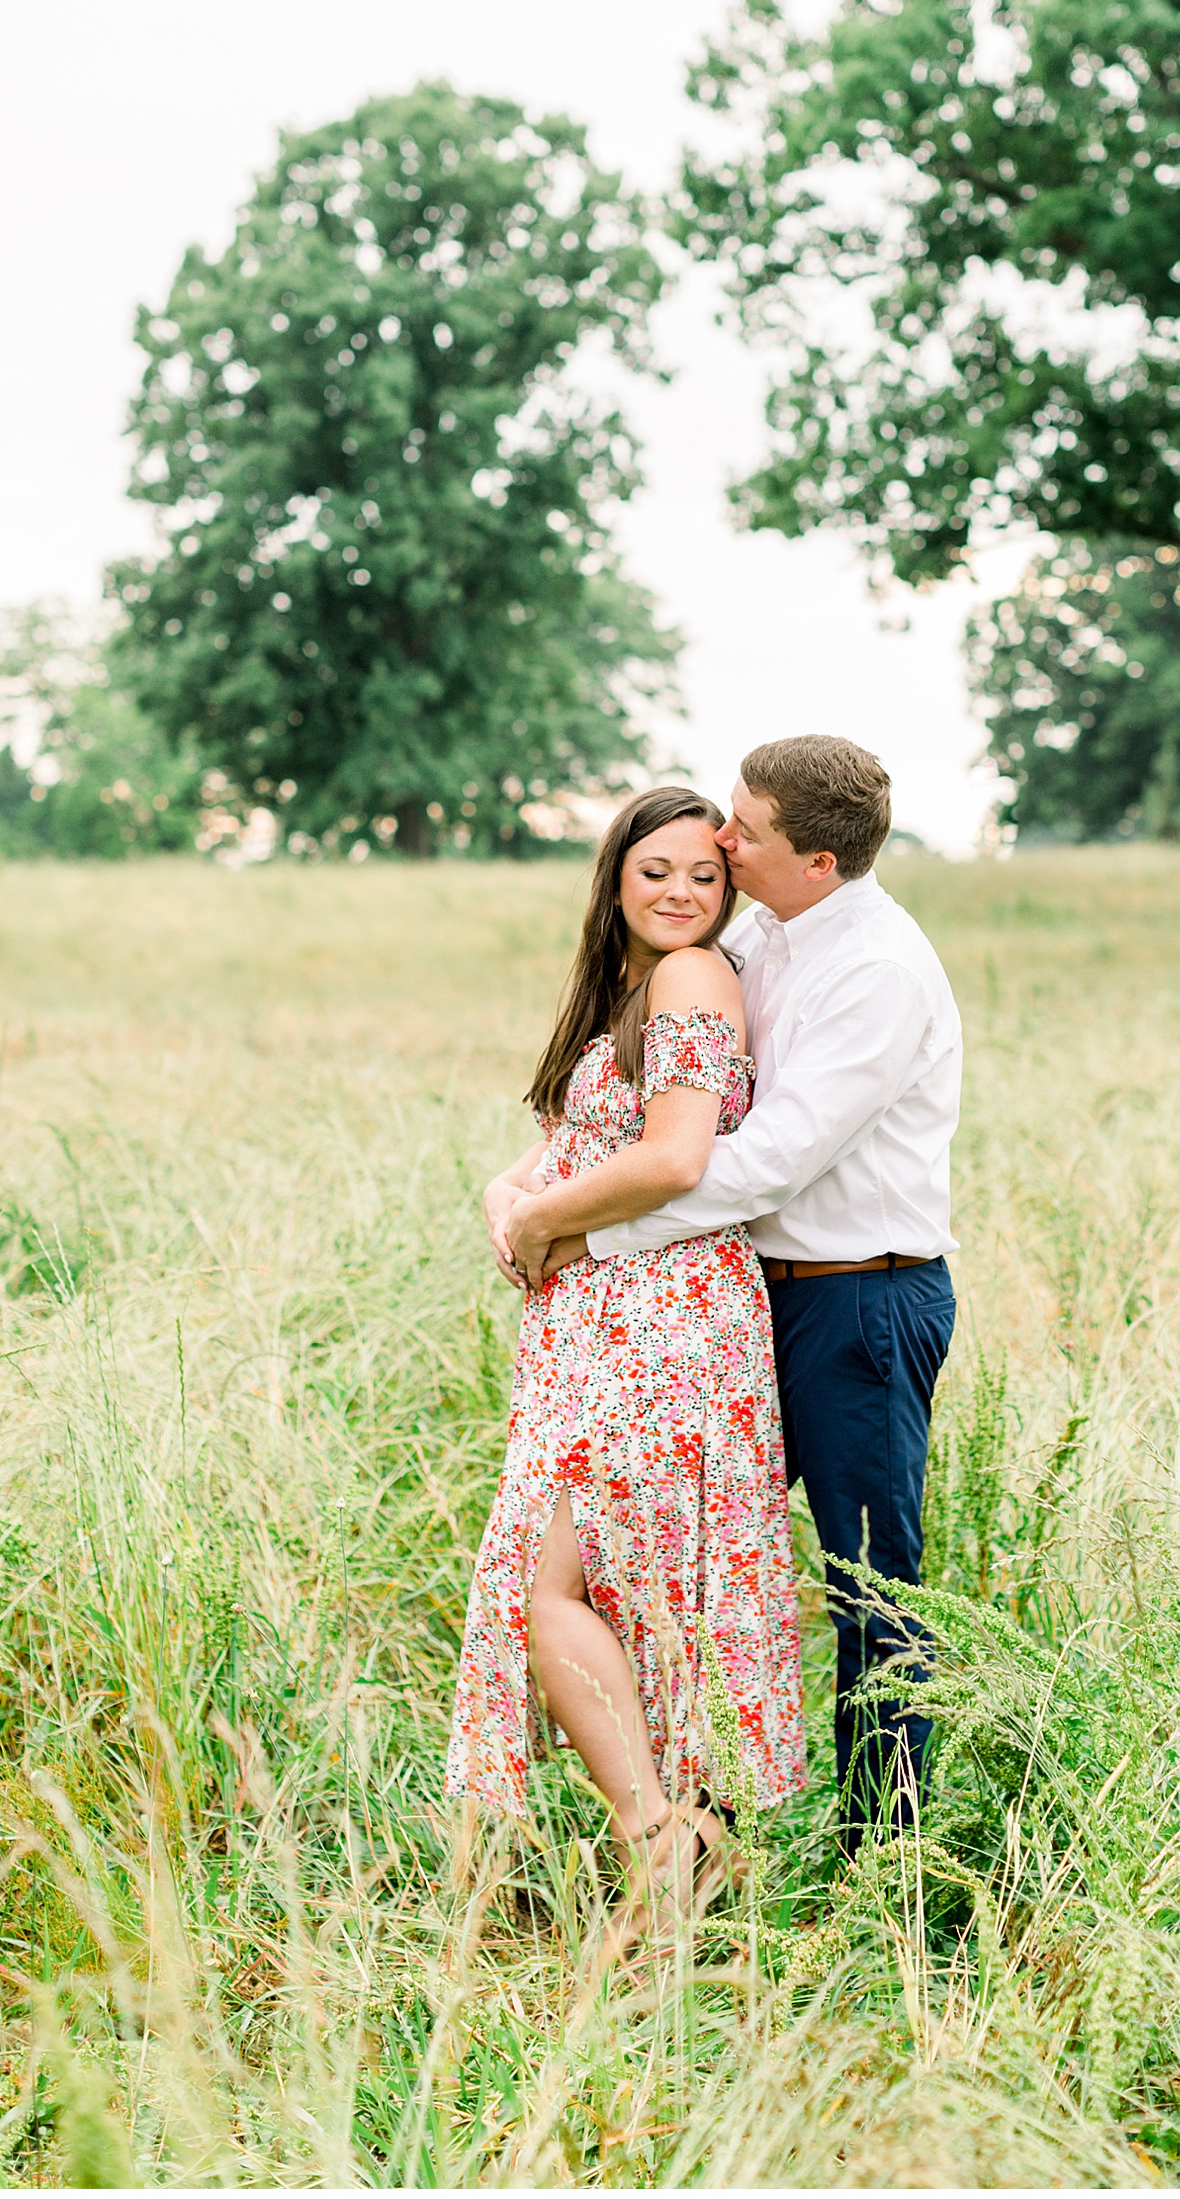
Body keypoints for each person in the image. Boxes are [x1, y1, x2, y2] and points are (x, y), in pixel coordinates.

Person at [504, 735, 962, 1852]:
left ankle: (885, 1862)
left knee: (869, 1586)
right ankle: (684, 1831)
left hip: (863, 1304)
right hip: (748, 1295)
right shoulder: (761, 927)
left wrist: (584, 1233)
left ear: (816, 860)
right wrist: (536, 1187)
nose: (719, 840)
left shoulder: (879, 972)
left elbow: (765, 1161)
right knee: (682, 1555)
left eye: (743, 832)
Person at [448, 786, 806, 1956]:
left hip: (663, 1321)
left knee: (553, 1582)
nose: (680, 894)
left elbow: (674, 1154)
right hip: (601, 1323)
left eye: (705, 876)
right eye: (657, 870)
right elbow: (562, 1152)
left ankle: (663, 1840)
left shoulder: (696, 979)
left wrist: (546, 1217)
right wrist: (514, 1202)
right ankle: (669, 1842)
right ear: (615, 876)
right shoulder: (626, 993)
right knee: (606, 1584)